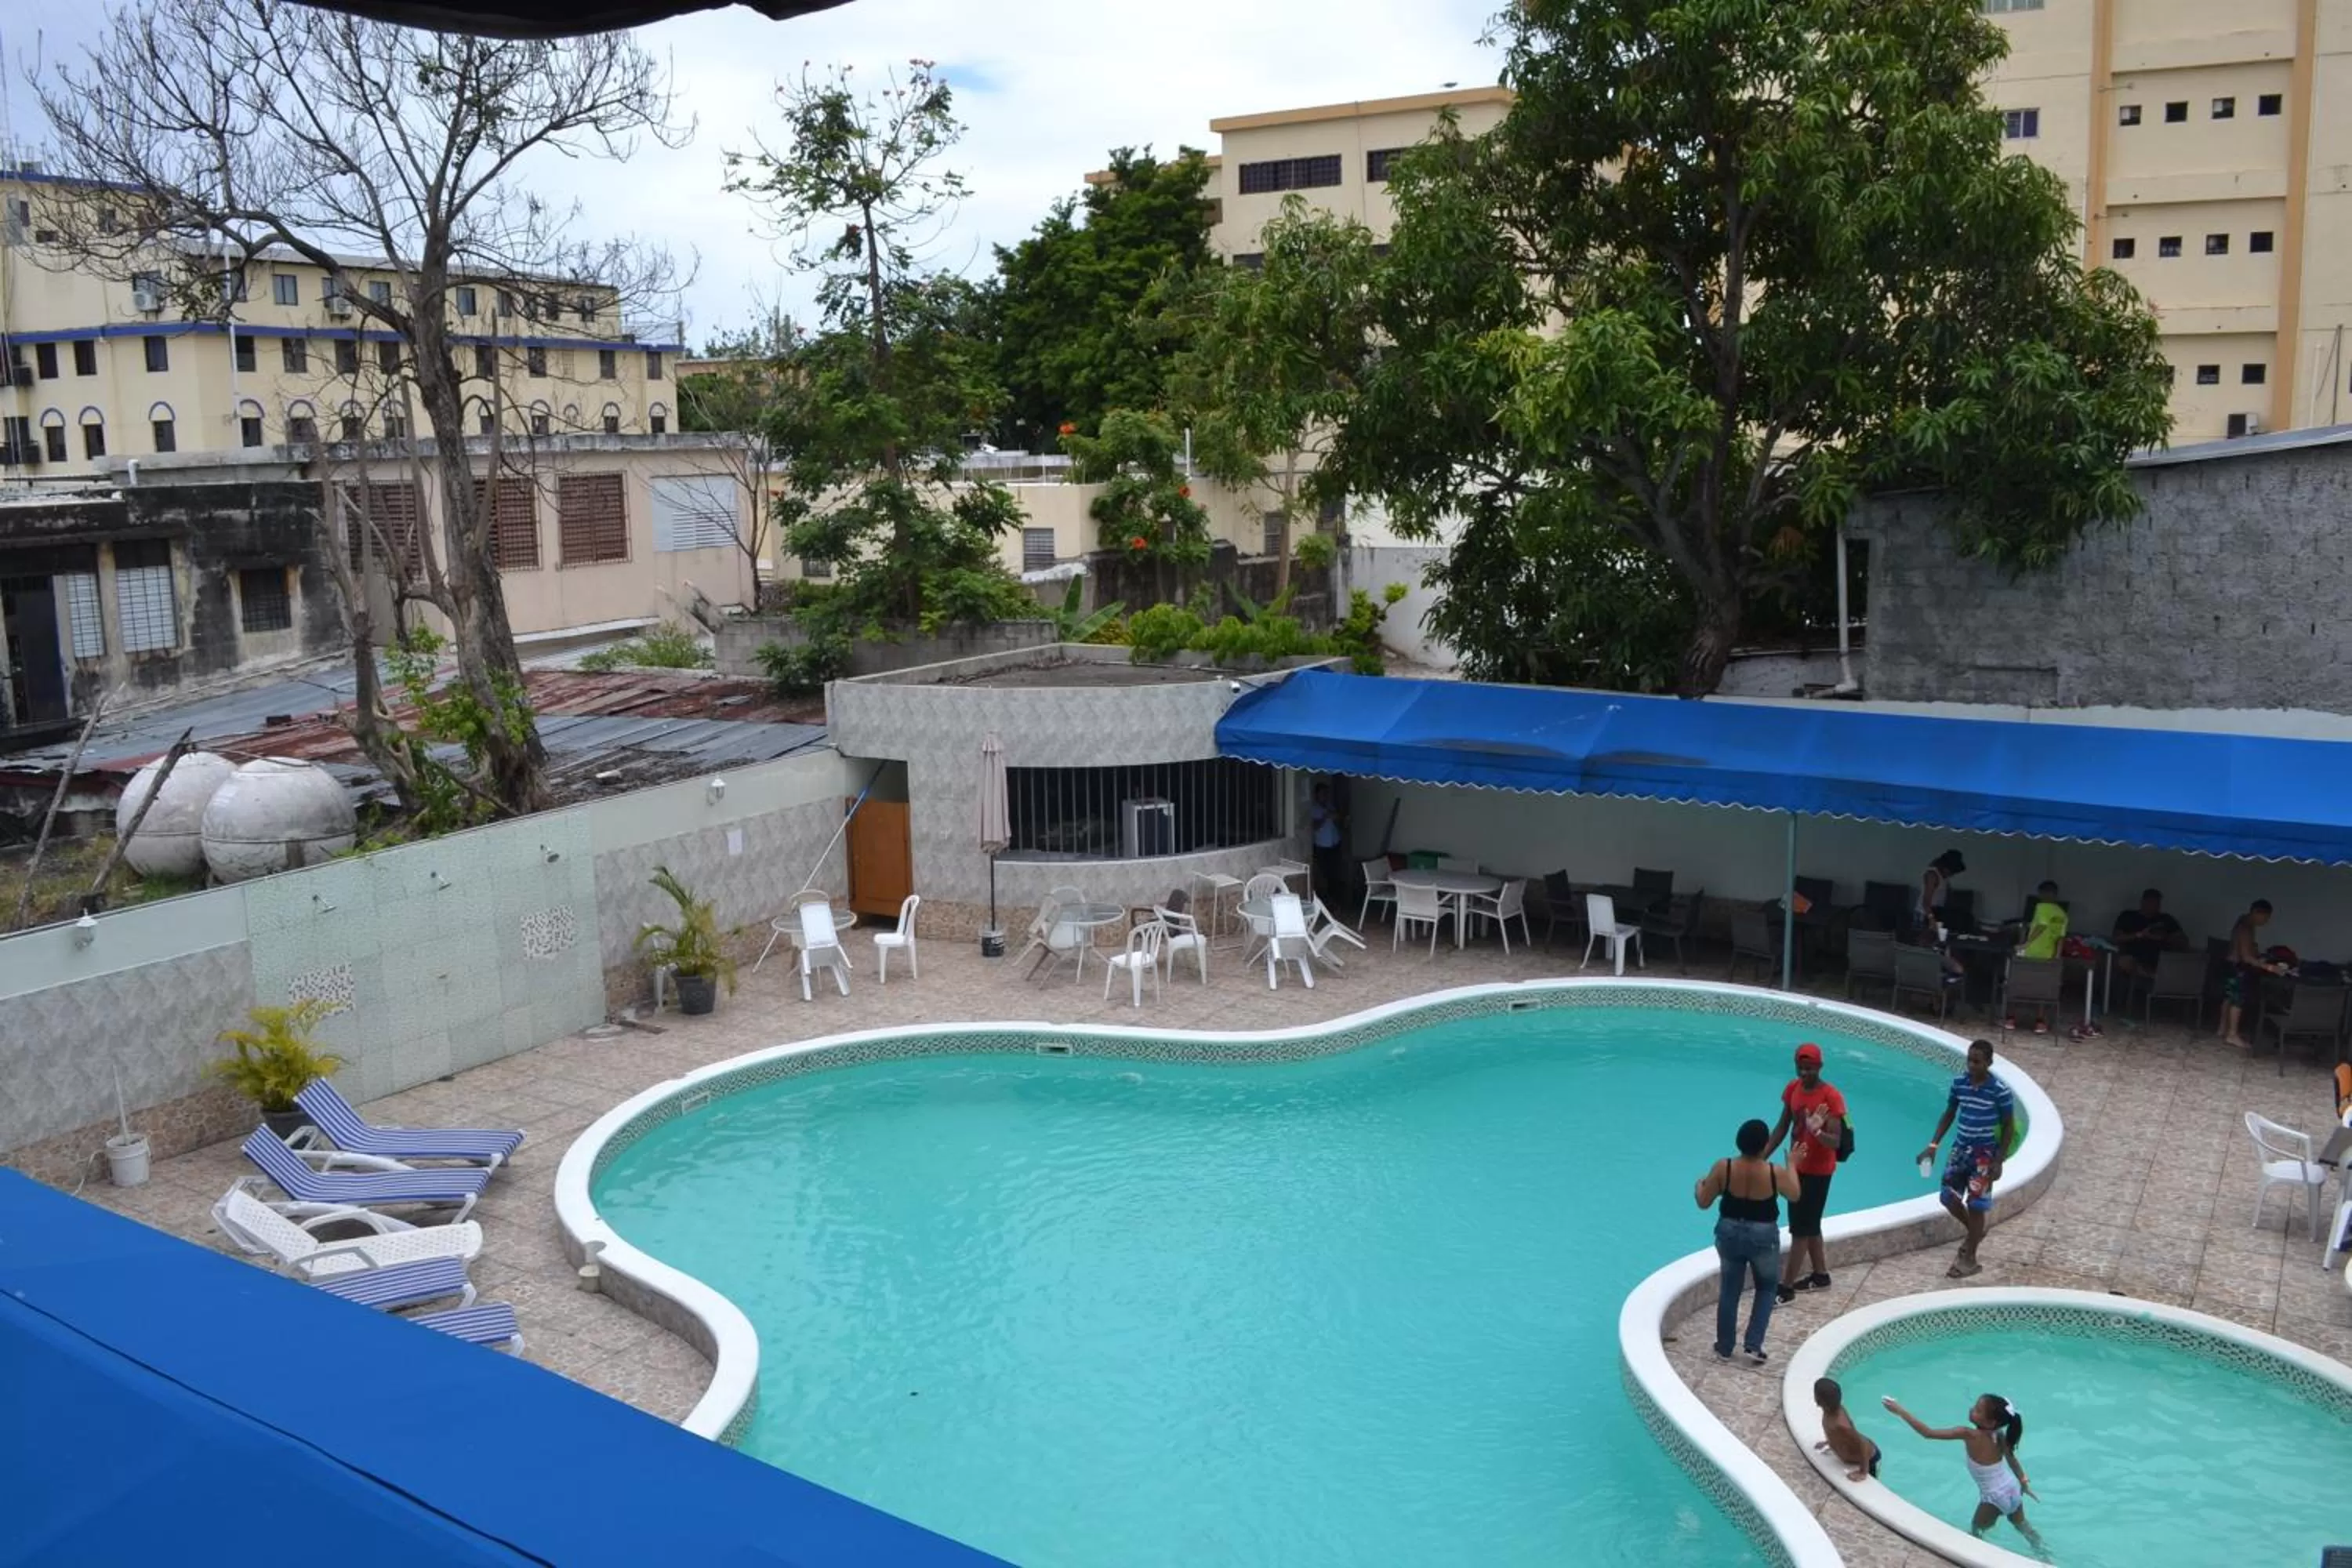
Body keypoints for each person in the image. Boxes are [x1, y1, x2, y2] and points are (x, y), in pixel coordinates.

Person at [1693, 1118, 1800, 1365]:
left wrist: (1699, 1186)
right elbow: (1795, 1195)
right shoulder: (1774, 1172)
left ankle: (1724, 1347)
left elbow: (1704, 1202)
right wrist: (1793, 1165)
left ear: (1738, 1141)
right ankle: (1753, 1344)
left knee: (1730, 1289)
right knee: (1767, 1288)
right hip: (1763, 1236)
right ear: (1764, 1145)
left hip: (1729, 1232)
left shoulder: (1724, 1167)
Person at [1880, 1392, 2042, 1549]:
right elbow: (2011, 1459)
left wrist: (1900, 1411)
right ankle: (2044, 1556)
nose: (1972, 1409)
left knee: (1975, 1534)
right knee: (2023, 1526)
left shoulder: (1968, 1434)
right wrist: (2023, 1482)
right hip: (2013, 1489)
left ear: (1991, 1423)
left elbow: (1928, 1433)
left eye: (1978, 1410)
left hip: (1994, 1497)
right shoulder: (1999, 1434)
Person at [1917, 1039, 2016, 1279]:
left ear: (1989, 1062)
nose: (1972, 1066)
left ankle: (1970, 1258)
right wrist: (1933, 1145)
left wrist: (1998, 1160)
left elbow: (2008, 1126)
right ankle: (1976, 1231)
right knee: (1947, 1197)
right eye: (1970, 1060)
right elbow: (1950, 1113)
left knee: (1976, 1204)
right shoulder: (1959, 1084)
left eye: (1977, 1062)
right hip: (1960, 1151)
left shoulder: (2000, 1091)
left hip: (1984, 1156)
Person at [1767, 1042, 1847, 1304]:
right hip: (1796, 1168)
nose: (1804, 1073)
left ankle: (1786, 1288)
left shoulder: (1831, 1097)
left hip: (1818, 1172)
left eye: (1809, 1068)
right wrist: (1760, 1156)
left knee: (1801, 1229)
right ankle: (1821, 1276)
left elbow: (1835, 1141)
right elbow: (1782, 1127)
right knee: (1810, 1225)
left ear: (1819, 1067)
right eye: (1800, 1068)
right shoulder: (1793, 1089)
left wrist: (1817, 1131)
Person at [2220, 898, 2285, 1051]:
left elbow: (2246, 949)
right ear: (2257, 913)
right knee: (2237, 1000)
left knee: (2229, 997)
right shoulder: (2246, 927)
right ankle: (2232, 1034)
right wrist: (2269, 967)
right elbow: (2246, 957)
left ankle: (2222, 1028)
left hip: (2231, 964)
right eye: (2266, 918)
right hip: (2238, 967)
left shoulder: (2243, 921)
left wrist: (2257, 956)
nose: (2266, 922)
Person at [2007, 881, 2068, 1033]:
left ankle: (2011, 1019)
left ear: (2043, 894)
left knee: (2018, 984)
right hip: (2049, 955)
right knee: (2042, 988)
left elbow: (2042, 925)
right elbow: (2061, 938)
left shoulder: (2041, 907)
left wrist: (2026, 944)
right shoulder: (2062, 914)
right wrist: (2057, 956)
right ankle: (2040, 1022)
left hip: (2031, 952)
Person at [1813, 1377, 1880, 1483]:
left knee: (1873, 1485)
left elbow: (1862, 1444)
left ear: (1818, 1400)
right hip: (1858, 1447)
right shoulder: (1831, 1409)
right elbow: (1846, 1428)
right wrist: (1829, 1442)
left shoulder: (1841, 1425)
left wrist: (1863, 1472)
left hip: (1870, 1458)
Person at [2111, 887, 2185, 980]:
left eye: (2157, 903)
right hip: (2134, 959)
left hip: (2162, 960)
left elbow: (2183, 941)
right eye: (2151, 902)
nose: (2154, 906)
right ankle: (2152, 976)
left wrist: (2164, 937)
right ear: (2143, 902)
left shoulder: (2166, 919)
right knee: (2124, 961)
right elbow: (2117, 938)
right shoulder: (2128, 916)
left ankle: (2156, 976)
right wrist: (2140, 935)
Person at [1911, 849, 1966, 944]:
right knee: (1924, 942)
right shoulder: (1932, 875)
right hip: (1925, 914)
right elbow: (1926, 901)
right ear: (1945, 867)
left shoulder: (1945, 878)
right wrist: (1931, 919)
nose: (1952, 874)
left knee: (1936, 942)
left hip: (1937, 912)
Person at [1308, 782, 1345, 910]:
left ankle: (1335, 900)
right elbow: (1314, 827)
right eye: (1323, 793)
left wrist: (1338, 818)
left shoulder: (1330, 806)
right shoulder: (1314, 808)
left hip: (1334, 844)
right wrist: (1325, 817)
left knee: (1334, 872)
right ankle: (1325, 901)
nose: (1325, 796)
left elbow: (1338, 821)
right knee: (1324, 874)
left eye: (1326, 793)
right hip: (1321, 846)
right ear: (1317, 795)